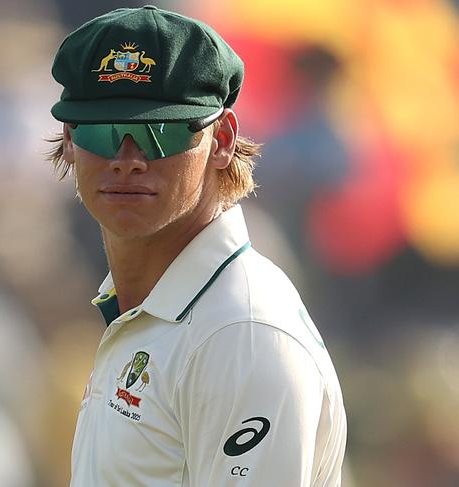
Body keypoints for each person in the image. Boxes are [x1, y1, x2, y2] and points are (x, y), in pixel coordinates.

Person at [48, 6, 346, 486]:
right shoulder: (164, 311)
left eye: (158, 133)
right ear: (69, 140)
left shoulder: (238, 333)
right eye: (100, 131)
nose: (127, 159)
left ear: (223, 139)